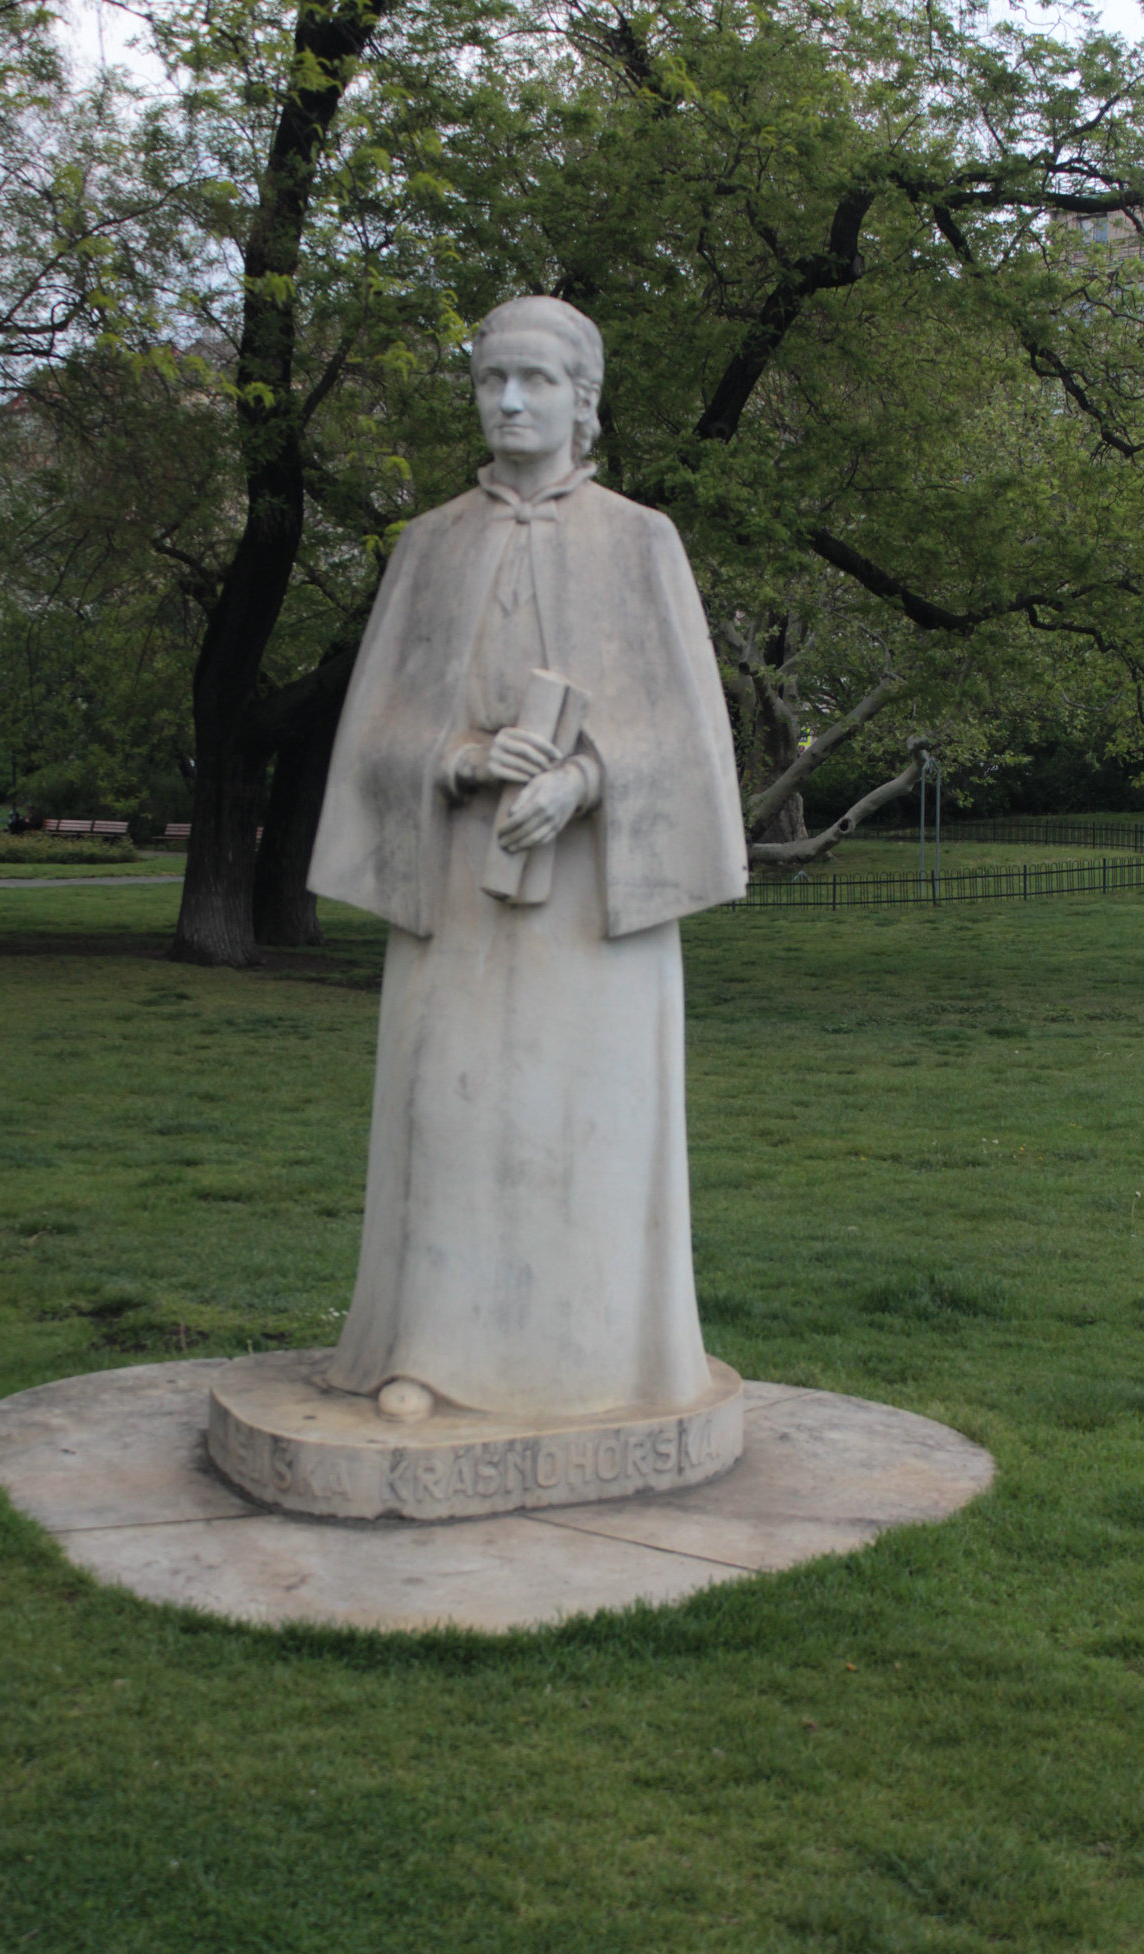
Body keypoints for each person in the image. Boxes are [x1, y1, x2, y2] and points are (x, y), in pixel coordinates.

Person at [308, 297, 746, 1423]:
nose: (510, 401)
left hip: (592, 909)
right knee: (452, 1116)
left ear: (582, 400)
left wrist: (585, 780)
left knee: (586, 1128)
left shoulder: (640, 539)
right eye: (494, 379)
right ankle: (431, 1350)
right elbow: (375, 737)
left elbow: (691, 742)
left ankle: (603, 1357)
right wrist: (456, 757)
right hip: (461, 892)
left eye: (537, 380)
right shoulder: (430, 545)